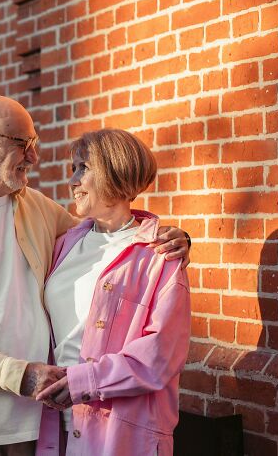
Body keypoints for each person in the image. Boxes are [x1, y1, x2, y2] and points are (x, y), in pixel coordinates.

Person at [0, 96, 189, 456]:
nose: (34, 158)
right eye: (23, 145)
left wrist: (170, 237)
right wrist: (17, 375)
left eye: (34, 145)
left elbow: (112, 235)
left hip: (34, 422)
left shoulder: (36, 207)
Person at [35, 129, 191, 456]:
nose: (73, 181)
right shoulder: (63, 244)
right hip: (54, 427)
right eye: (73, 169)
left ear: (114, 171)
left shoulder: (159, 255)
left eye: (83, 168)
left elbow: (160, 355)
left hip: (119, 435)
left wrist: (83, 382)